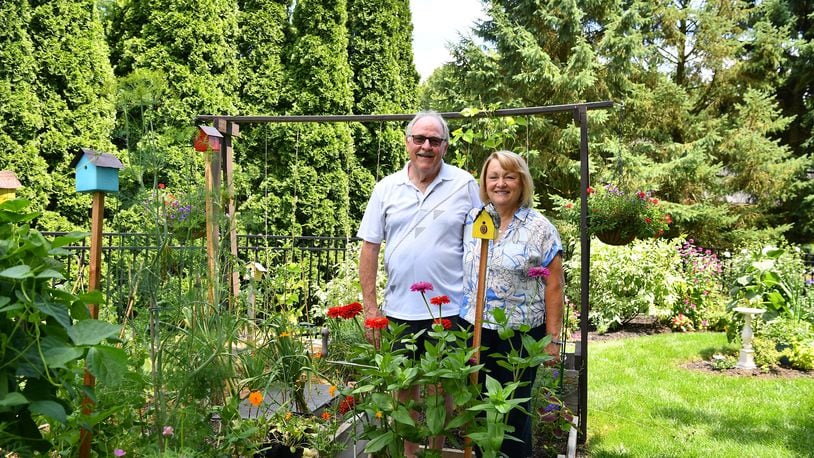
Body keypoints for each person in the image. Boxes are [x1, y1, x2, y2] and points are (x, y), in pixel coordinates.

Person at [357, 110, 481, 457]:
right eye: (419, 139)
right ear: (407, 142)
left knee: (445, 390)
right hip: (399, 311)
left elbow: (481, 244)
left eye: (435, 140)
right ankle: (410, 454)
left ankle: (437, 452)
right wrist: (370, 309)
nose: (426, 146)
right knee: (404, 391)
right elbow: (369, 249)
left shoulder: (464, 184)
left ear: (445, 145)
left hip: (450, 309)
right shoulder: (386, 188)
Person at [459, 150, 564, 458]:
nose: (500, 183)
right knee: (478, 410)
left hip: (518, 335)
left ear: (521, 182)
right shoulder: (473, 219)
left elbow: (555, 285)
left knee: (514, 414)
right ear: (484, 182)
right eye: (494, 177)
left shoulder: (539, 227)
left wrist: (552, 339)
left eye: (509, 176)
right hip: (475, 331)